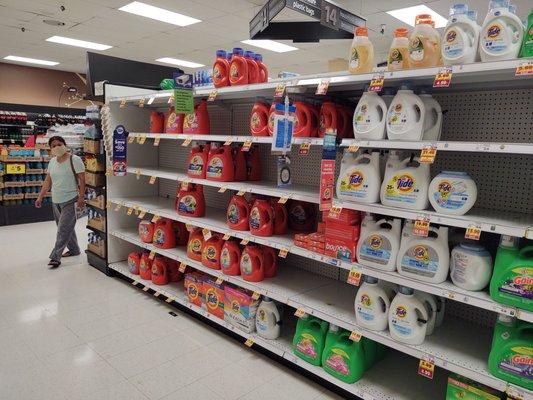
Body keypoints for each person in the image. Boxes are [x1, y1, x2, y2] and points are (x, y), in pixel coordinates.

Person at [36, 136, 85, 268]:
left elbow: (82, 180)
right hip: (56, 200)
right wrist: (40, 196)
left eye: (59, 144)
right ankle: (74, 250)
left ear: (64, 144)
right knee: (65, 227)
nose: (57, 147)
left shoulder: (74, 159)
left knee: (63, 229)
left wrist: (81, 197)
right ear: (50, 149)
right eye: (53, 146)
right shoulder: (52, 162)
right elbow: (48, 181)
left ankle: (55, 257)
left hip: (71, 199)